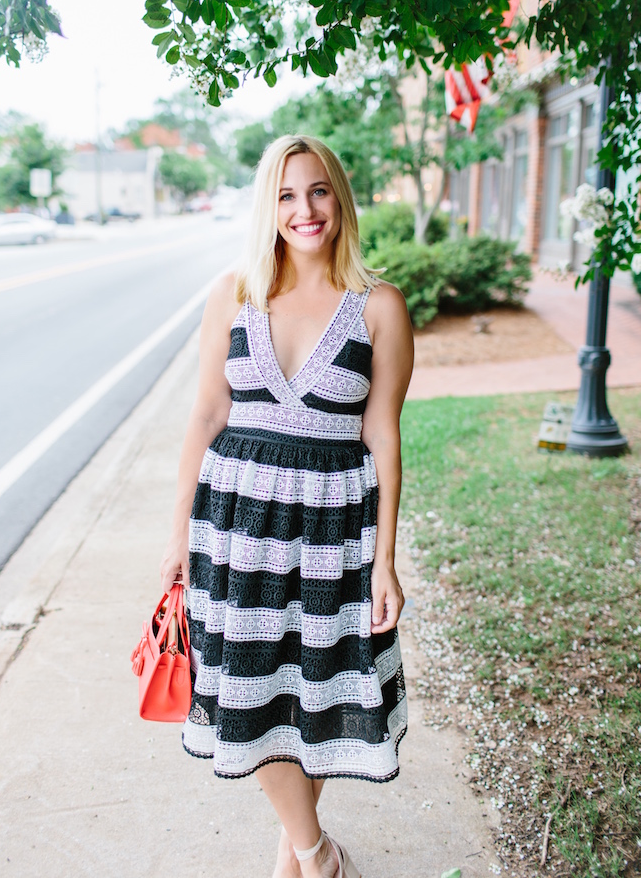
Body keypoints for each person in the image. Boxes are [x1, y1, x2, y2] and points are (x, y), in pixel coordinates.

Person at [160, 135, 414, 878]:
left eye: (319, 191)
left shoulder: (380, 305)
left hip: (336, 530)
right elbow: (206, 413)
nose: (305, 210)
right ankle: (315, 851)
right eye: (285, 194)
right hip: (237, 529)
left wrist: (385, 563)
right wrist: (177, 534)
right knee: (249, 687)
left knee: (318, 689)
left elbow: (384, 437)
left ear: (341, 198)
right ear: (266, 206)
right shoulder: (232, 291)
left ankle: (293, 847)